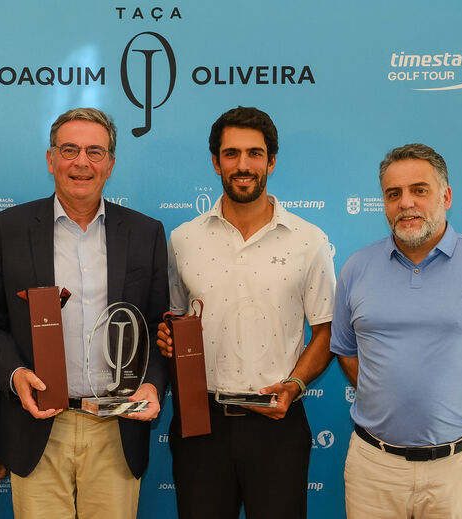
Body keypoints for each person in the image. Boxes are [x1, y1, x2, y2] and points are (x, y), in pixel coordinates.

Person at [0, 107, 169, 519]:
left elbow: (155, 327)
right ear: (51, 160)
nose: (82, 162)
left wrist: (151, 385)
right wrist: (13, 375)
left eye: (95, 152)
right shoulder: (8, 229)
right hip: (38, 428)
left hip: (117, 429)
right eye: (70, 149)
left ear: (111, 164)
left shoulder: (145, 233)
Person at [330, 143, 462, 519]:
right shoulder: (356, 269)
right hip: (373, 468)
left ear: (446, 195)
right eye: (393, 194)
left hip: (461, 468)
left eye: (419, 190)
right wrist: (386, 396)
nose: (405, 203)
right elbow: (345, 350)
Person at [157, 106, 336, 518]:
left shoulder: (309, 240)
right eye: (231, 153)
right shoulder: (183, 239)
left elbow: (327, 331)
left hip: (278, 420)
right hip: (200, 423)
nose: (243, 165)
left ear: (271, 161)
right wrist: (166, 336)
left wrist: (293, 384)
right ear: (216, 161)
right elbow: (172, 320)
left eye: (254, 154)